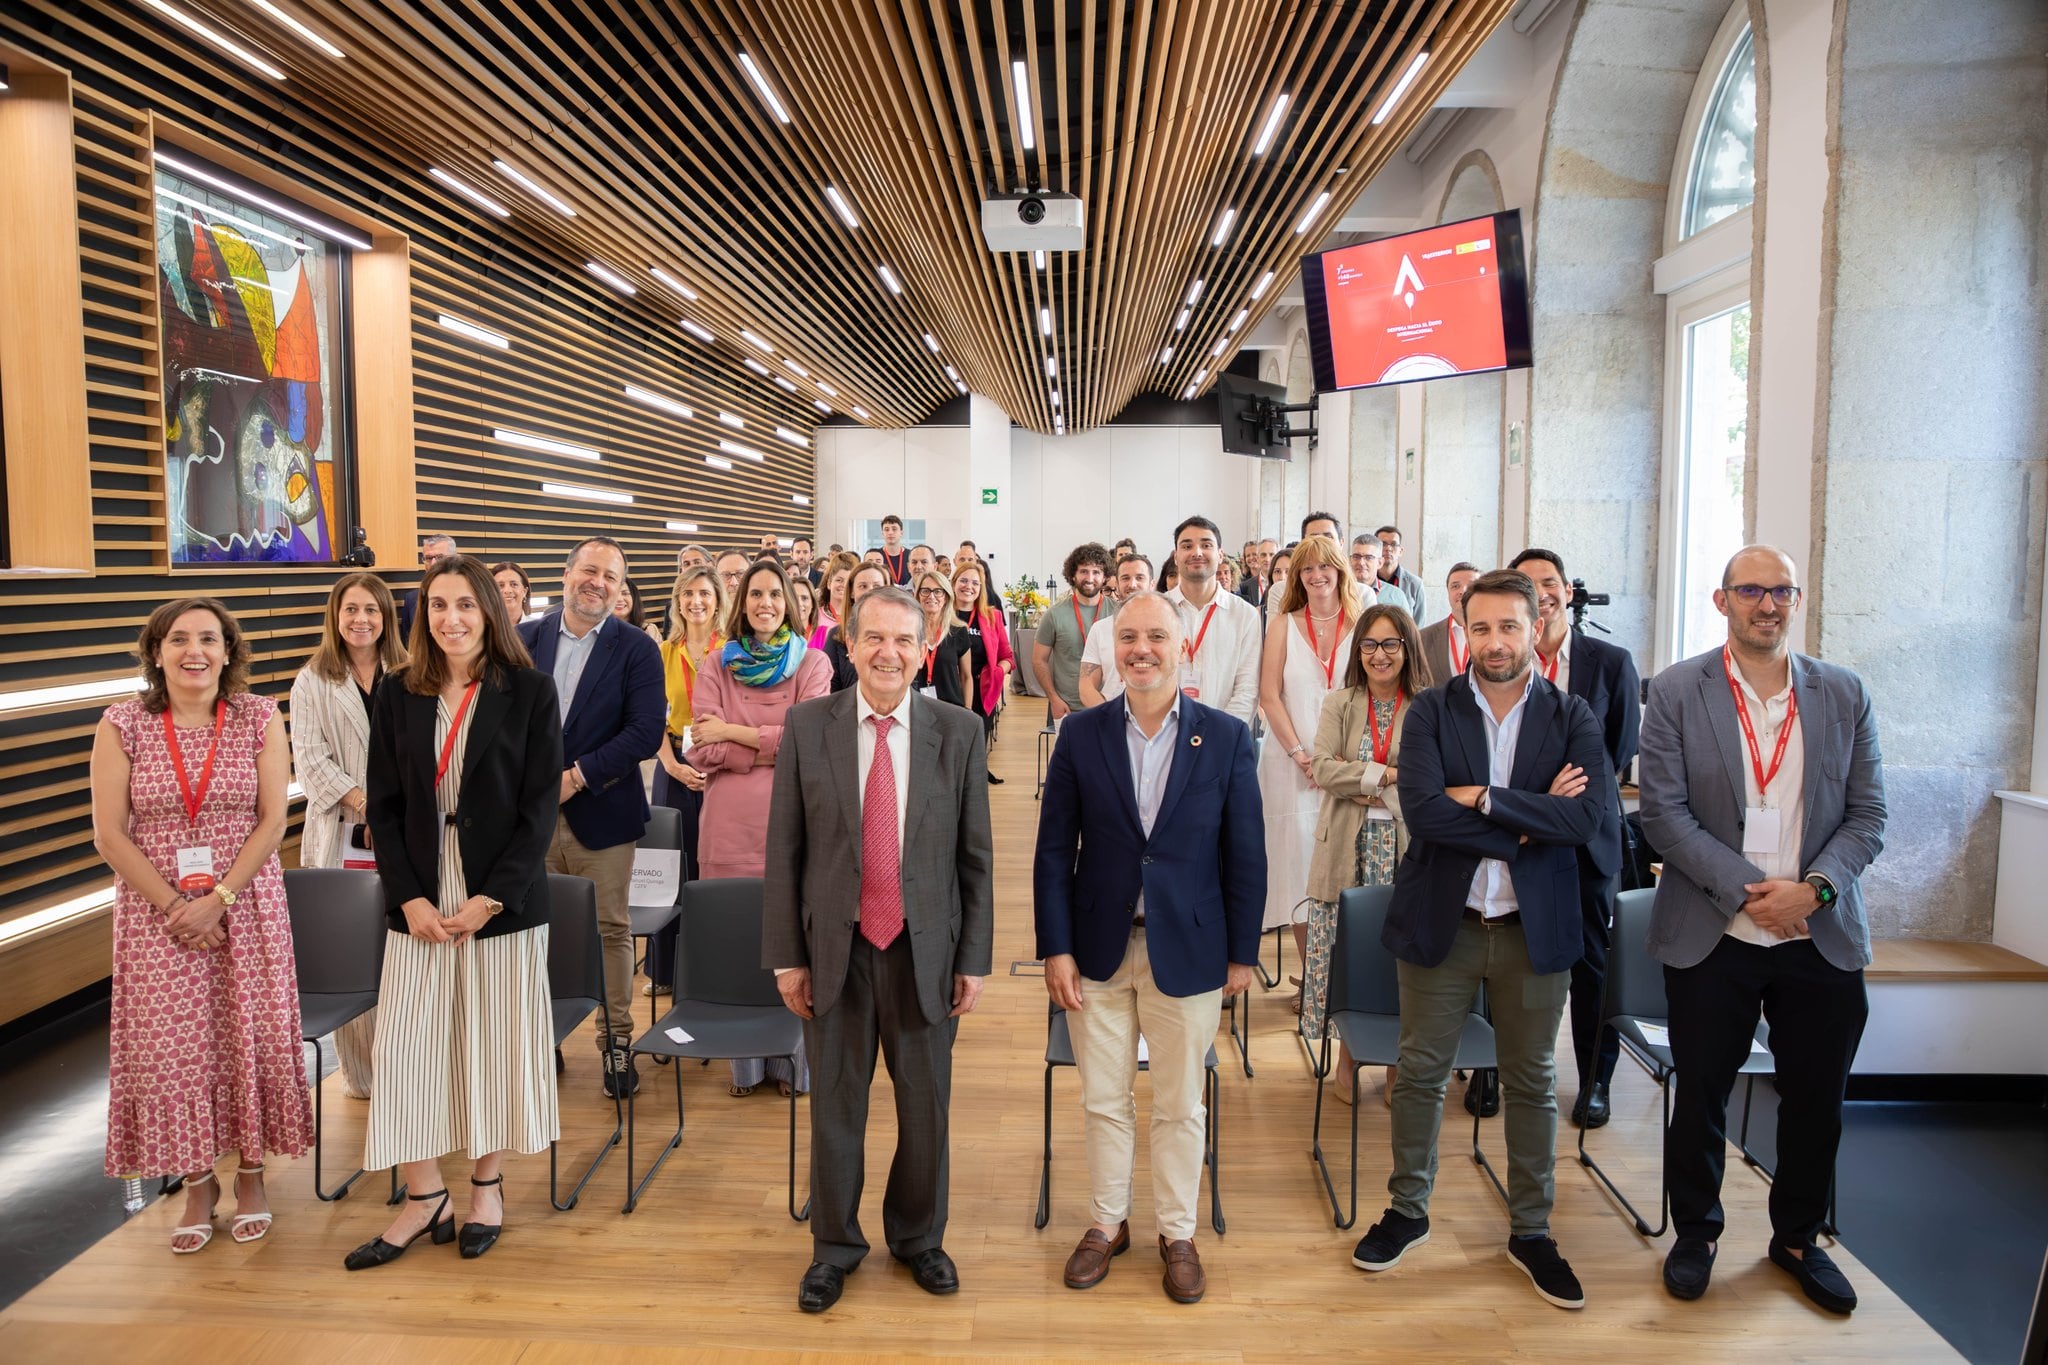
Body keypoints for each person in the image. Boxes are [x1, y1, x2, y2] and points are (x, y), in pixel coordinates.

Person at [1639, 545, 1886, 1314]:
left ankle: (1798, 1238)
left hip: (1820, 933)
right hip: (1717, 931)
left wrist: (1811, 891)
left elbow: (1868, 816)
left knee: (1817, 1098)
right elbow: (1664, 816)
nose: (1767, 603)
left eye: (1781, 590)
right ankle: (1697, 1230)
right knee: (1703, 1093)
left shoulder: (1844, 694)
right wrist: (1753, 893)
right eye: (1752, 590)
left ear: (1797, 599)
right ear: (1723, 602)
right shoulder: (1678, 691)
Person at [1356, 569, 1607, 1310]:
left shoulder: (1574, 715)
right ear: (1462, 630)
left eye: (1510, 626)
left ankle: (1532, 1229)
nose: (1496, 642)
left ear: (1537, 628)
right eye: (1483, 627)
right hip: (1447, 919)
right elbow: (1427, 814)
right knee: (1422, 1071)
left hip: (1534, 929)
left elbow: (1585, 821)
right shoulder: (1431, 711)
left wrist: (1489, 798)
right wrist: (1531, 821)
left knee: (1531, 1081)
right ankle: (1408, 1209)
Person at [764, 586, 995, 1313]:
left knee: (925, 1108)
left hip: (926, 950)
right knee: (836, 1107)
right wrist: (786, 955)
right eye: (874, 639)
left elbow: (975, 860)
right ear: (849, 645)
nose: (887, 652)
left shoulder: (957, 732)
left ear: (924, 648)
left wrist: (974, 959)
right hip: (836, 948)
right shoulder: (808, 725)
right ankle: (834, 1246)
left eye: (902, 640)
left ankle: (920, 1237)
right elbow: (785, 852)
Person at [1034, 592, 1265, 1305]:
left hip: (1189, 950)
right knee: (1104, 1099)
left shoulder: (1226, 737)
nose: (1142, 649)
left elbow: (1246, 854)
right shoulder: (1080, 734)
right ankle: (1108, 1222)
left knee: (1179, 1102)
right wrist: (1055, 947)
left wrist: (1241, 952)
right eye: (1128, 636)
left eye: (1155, 636)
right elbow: (1051, 852)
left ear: (1182, 645)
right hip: (1098, 948)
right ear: (1111, 647)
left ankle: (1177, 1231)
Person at [352, 554, 562, 1270]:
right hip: (418, 889)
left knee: (489, 1043)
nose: (452, 618)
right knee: (407, 1047)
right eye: (437, 605)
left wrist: (490, 896)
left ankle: (485, 1186)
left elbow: (538, 812)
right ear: (422, 614)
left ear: (490, 614)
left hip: (497, 895)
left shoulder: (529, 691)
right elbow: (381, 802)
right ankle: (423, 1195)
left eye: (466, 605)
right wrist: (407, 895)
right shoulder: (395, 692)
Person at [92, 597, 313, 1254]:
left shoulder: (256, 715)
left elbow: (274, 819)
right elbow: (109, 832)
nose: (195, 651)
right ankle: (196, 1182)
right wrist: (174, 905)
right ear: (156, 651)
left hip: (245, 904)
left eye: (208, 639)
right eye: (179, 638)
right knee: (173, 1051)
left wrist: (219, 895)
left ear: (228, 649)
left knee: (246, 1033)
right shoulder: (123, 723)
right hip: (155, 917)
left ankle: (250, 1175)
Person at [517, 538, 668, 1099]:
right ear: (566, 573)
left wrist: (574, 777)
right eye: (589, 570)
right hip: (525, 820)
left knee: (610, 930)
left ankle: (616, 1045)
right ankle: (542, 1037)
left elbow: (644, 732)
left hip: (602, 814)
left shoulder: (636, 649)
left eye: (610, 576)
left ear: (620, 587)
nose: (598, 582)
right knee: (531, 932)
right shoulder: (524, 638)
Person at [686, 558, 833, 1095]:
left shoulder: (814, 663)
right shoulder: (715, 664)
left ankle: (795, 1064)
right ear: (741, 604)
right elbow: (704, 749)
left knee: (796, 944)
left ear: (788, 604)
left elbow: (810, 740)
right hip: (727, 825)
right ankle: (745, 1064)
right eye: (755, 595)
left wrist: (734, 732)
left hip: (795, 819)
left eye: (774, 594)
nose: (765, 603)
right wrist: (763, 741)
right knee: (741, 942)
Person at [1509, 547, 1642, 1130]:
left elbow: (1620, 748)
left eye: (1551, 582)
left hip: (1589, 839)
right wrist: (1542, 797)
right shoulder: (1498, 658)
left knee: (1592, 964)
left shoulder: (1610, 662)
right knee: (1506, 958)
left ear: (1567, 591)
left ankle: (1594, 1081)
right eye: (1529, 584)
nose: (1543, 592)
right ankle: (1493, 1075)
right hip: (1518, 835)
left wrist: (1572, 788)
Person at [290, 572, 407, 1097]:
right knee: (352, 951)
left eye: (371, 610)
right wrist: (369, 806)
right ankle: (365, 1075)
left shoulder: (410, 672)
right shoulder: (312, 679)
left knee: (405, 947)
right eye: (350, 609)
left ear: (387, 617)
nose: (361, 620)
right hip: (342, 831)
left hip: (406, 831)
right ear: (334, 617)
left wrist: (394, 813)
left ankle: (410, 1063)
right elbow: (311, 763)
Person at [1303, 606, 1424, 1104]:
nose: (1380, 654)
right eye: (1370, 645)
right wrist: (1387, 776)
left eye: (1390, 644)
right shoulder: (1340, 702)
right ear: (1359, 652)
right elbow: (1322, 769)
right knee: (1345, 954)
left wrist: (1367, 777)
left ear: (1407, 649)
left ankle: (1397, 1062)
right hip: (1345, 847)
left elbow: (1428, 777)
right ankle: (1348, 1059)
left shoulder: (1426, 706)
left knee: (1398, 959)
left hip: (1404, 848)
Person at [1253, 534, 1363, 981]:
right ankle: (1315, 977)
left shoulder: (1362, 621)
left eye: (1325, 567)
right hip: (1289, 763)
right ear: (1297, 577)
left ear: (1340, 571)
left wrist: (1335, 762)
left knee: (1346, 873)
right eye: (1307, 569)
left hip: (1347, 764)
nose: (1317, 576)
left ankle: (1345, 979)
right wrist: (1303, 756)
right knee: (1297, 868)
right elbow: (1268, 694)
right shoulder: (1282, 623)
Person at [647, 563, 724, 999]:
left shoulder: (731, 650)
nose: (696, 602)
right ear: (677, 602)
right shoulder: (662, 653)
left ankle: (708, 967)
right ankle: (665, 972)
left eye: (704, 594)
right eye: (688, 594)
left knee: (709, 865)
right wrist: (672, 765)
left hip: (720, 763)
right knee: (669, 868)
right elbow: (650, 717)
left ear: (717, 601)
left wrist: (714, 763)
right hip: (672, 762)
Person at [1164, 516, 1261, 726]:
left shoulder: (1244, 614)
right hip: (1164, 737)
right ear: (1176, 556)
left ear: (1220, 555)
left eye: (1206, 545)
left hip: (1224, 739)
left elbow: (1247, 688)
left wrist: (1219, 736)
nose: (1196, 552)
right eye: (1187, 545)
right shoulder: (1158, 609)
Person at [1034, 542, 1113, 723]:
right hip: (1068, 708)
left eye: (1096, 572)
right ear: (1073, 575)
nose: (1090, 577)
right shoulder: (1054, 614)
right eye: (1084, 571)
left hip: (1109, 707)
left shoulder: (1119, 614)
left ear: (1105, 576)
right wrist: (1053, 698)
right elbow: (1039, 660)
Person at [950, 560, 1014, 781]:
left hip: (983, 688)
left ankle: (975, 778)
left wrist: (997, 671)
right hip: (950, 688)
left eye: (975, 583)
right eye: (964, 580)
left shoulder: (991, 616)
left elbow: (1008, 657)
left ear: (981, 588)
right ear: (954, 583)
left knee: (977, 741)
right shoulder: (943, 614)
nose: (969, 586)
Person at [1079, 554, 1153, 707]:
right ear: (1117, 586)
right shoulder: (1100, 629)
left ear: (1152, 584)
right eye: (1125, 578)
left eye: (1140, 578)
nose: (1132, 584)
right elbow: (1086, 685)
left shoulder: (1169, 628)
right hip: (1110, 717)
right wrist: (1108, 717)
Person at [825, 562, 892, 692]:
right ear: (851, 592)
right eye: (863, 586)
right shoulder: (837, 636)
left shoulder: (900, 633)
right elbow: (829, 687)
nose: (870, 591)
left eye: (877, 586)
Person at [911, 569, 973, 707]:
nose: (931, 596)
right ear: (918, 596)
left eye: (938, 591)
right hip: (915, 708)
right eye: (925, 591)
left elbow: (966, 677)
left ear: (946, 597)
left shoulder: (958, 631)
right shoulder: (908, 631)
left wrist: (968, 712)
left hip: (951, 708)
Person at [1417, 562, 1480, 688]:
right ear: (1448, 592)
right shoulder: (1424, 637)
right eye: (1455, 586)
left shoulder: (1495, 636)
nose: (1463, 590)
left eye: (1471, 585)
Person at [397, 532, 457, 638]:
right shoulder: (411, 599)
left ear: (454, 559)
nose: (433, 563)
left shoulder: (472, 595)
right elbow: (407, 643)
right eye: (429, 558)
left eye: (440, 557)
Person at [1376, 526, 1427, 623]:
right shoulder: (1367, 581)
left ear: (1401, 551)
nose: (1388, 548)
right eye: (1383, 544)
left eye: (1394, 544)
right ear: (1375, 549)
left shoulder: (1415, 584)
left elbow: (1419, 627)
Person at [1349, 535, 1412, 613]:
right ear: (1350, 560)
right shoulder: (1338, 592)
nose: (1361, 563)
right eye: (1356, 557)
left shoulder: (1396, 596)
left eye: (1369, 558)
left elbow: (1406, 625)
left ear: (1380, 563)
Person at [814, 551, 860, 648]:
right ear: (829, 583)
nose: (843, 585)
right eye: (839, 580)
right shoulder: (815, 615)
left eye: (848, 582)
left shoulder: (858, 617)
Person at [877, 514, 912, 584]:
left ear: (901, 533)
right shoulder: (877, 555)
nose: (890, 532)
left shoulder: (911, 555)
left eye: (894, 529)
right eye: (886, 529)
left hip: (906, 594)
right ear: (882, 533)